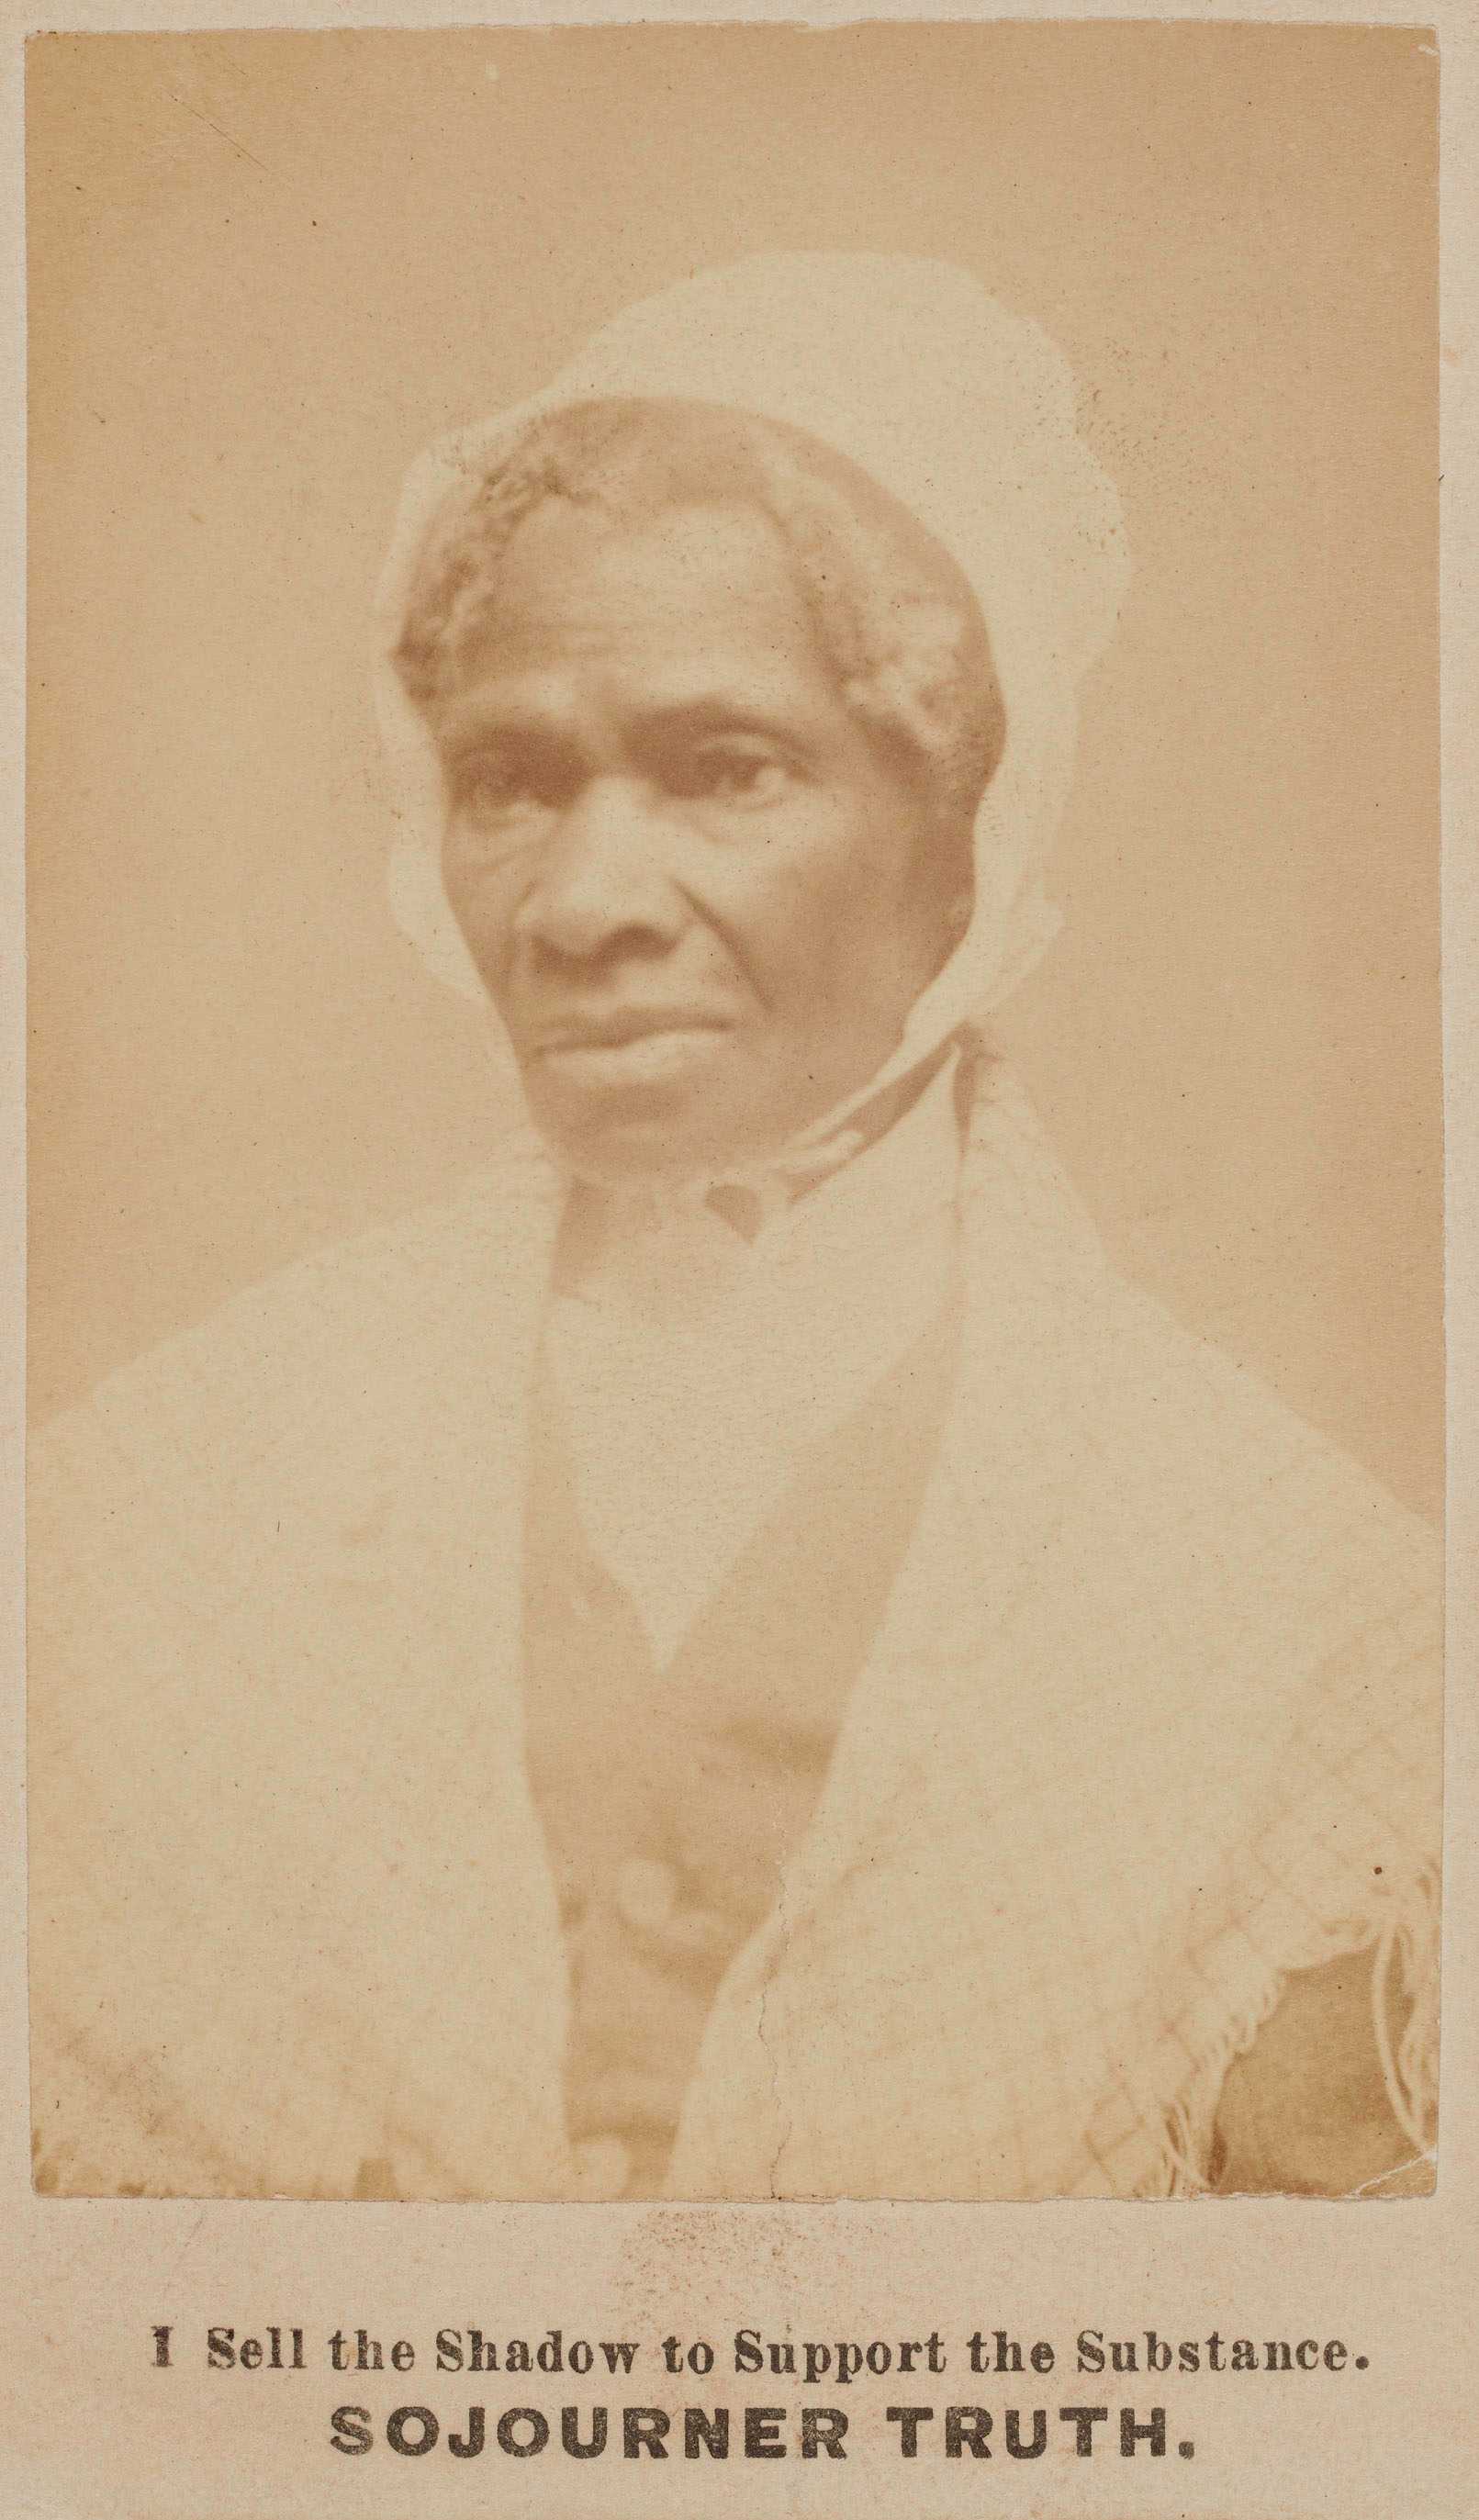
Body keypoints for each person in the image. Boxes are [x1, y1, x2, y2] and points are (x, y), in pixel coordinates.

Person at [28, 255, 1440, 2202]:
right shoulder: (152, 1504)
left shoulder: (1287, 1615)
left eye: (727, 767)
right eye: (509, 779)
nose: (585, 895)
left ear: (970, 814)